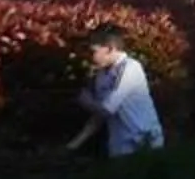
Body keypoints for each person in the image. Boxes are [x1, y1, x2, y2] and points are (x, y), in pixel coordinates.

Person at [68, 23, 165, 156]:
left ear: (109, 49)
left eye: (94, 51)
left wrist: (86, 101)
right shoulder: (101, 75)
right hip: (120, 146)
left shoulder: (130, 68)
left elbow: (107, 109)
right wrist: (75, 144)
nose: (90, 56)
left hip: (145, 142)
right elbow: (100, 114)